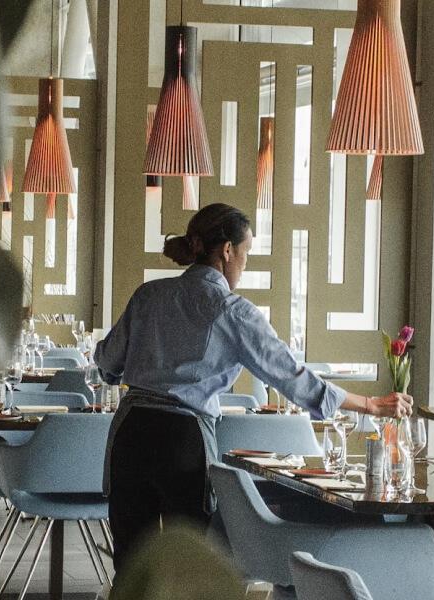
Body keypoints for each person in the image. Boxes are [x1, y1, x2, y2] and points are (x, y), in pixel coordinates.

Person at [94, 203, 412, 579]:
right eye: (245, 253)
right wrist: (370, 405)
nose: (244, 264)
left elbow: (107, 362)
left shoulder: (148, 295)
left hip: (130, 432)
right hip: (182, 441)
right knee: (192, 570)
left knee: (130, 566)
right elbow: (290, 375)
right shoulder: (232, 310)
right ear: (226, 251)